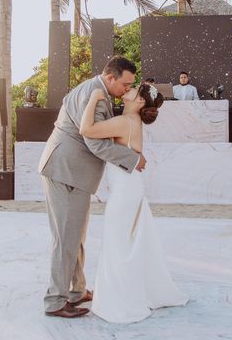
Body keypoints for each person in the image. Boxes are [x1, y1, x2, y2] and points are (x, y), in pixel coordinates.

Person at [38, 56, 146, 319]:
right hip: (66, 171)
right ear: (110, 77)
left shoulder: (100, 92)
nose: (126, 90)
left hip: (73, 173)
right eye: (125, 84)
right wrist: (133, 159)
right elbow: (95, 143)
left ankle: (76, 291)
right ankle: (55, 301)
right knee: (66, 238)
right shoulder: (92, 94)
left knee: (75, 235)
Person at [80, 83, 188, 323]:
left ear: (140, 102)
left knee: (119, 243)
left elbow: (86, 129)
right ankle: (128, 293)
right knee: (125, 242)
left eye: (135, 90)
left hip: (125, 191)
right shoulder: (129, 120)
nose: (128, 90)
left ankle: (120, 301)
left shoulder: (126, 121)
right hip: (128, 186)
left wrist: (94, 98)